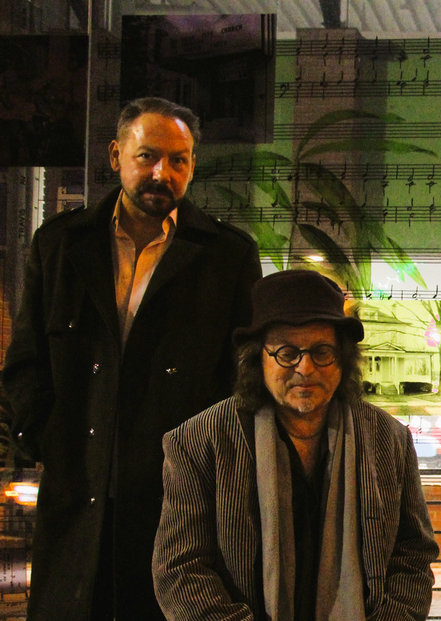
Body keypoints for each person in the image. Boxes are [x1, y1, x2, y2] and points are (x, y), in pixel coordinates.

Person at [2, 96, 261, 619]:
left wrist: (212, 467)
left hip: (179, 499)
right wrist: (48, 439)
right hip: (77, 492)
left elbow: (243, 379)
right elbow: (26, 361)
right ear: (116, 155)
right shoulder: (60, 245)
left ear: (193, 166)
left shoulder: (228, 255)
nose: (162, 172)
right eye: (147, 156)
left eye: (178, 160)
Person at [152, 269, 438, 620]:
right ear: (258, 357)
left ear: (343, 358)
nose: (305, 368)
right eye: (287, 353)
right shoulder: (199, 441)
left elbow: (413, 554)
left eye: (322, 352)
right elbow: (181, 568)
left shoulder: (388, 438)